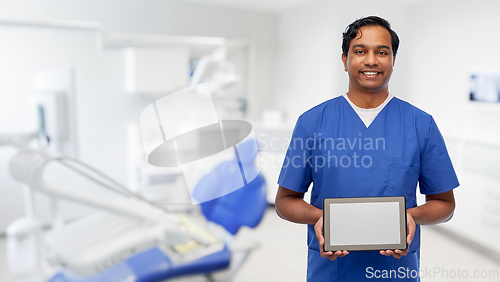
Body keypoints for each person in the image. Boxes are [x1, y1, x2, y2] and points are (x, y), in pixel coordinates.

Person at [275, 16, 459, 281]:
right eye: (360, 51)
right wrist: (325, 219)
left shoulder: (421, 124)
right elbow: (284, 202)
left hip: (396, 270)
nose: (371, 60)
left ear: (393, 60)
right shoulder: (312, 122)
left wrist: (409, 217)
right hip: (331, 271)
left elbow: (445, 205)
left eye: (382, 52)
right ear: (344, 59)